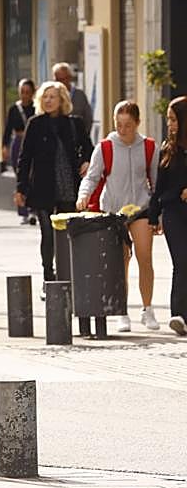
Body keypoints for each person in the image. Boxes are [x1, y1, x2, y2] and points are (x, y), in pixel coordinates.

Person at [75, 100, 160, 332]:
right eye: (118, 124)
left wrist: (158, 213)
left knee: (145, 257)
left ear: (138, 123)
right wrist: (83, 195)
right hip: (113, 212)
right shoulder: (105, 147)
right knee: (121, 261)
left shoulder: (149, 147)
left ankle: (147, 309)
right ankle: (122, 312)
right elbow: (92, 177)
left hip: (141, 209)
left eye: (128, 125)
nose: (122, 130)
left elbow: (156, 182)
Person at [14, 81, 93, 285]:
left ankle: (68, 275)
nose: (48, 101)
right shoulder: (35, 123)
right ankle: (48, 277)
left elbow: (89, 148)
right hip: (43, 188)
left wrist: (86, 161)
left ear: (62, 100)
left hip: (69, 186)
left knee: (67, 234)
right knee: (48, 234)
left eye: (52, 97)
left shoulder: (74, 123)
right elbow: (25, 158)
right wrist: (21, 188)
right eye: (45, 97)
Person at [149, 96, 187, 336]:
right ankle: (179, 315)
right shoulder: (168, 149)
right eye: (168, 120)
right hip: (173, 212)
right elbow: (159, 187)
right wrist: (153, 216)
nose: (170, 124)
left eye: (174, 119)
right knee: (181, 261)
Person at [3, 79, 37, 225]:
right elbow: (8, 128)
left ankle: (33, 209)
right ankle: (23, 211)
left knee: (33, 176)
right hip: (18, 143)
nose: (25, 95)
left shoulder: (36, 108)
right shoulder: (14, 109)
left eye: (28, 92)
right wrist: (4, 146)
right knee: (21, 176)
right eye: (22, 92)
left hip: (34, 143)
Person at [53, 62, 93, 128]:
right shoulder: (51, 96)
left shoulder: (79, 95)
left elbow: (88, 118)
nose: (60, 83)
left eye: (63, 79)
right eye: (58, 80)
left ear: (69, 78)